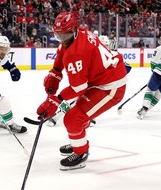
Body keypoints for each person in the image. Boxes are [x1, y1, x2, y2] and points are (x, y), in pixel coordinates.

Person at [36, 12, 128, 170]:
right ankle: (79, 141)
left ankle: (81, 152)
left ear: (72, 30)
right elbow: (62, 50)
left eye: (65, 35)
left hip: (110, 86)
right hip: (101, 79)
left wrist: (55, 99)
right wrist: (55, 72)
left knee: (73, 118)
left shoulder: (76, 53)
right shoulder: (80, 33)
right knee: (78, 114)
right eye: (59, 35)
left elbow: (78, 88)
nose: (62, 39)